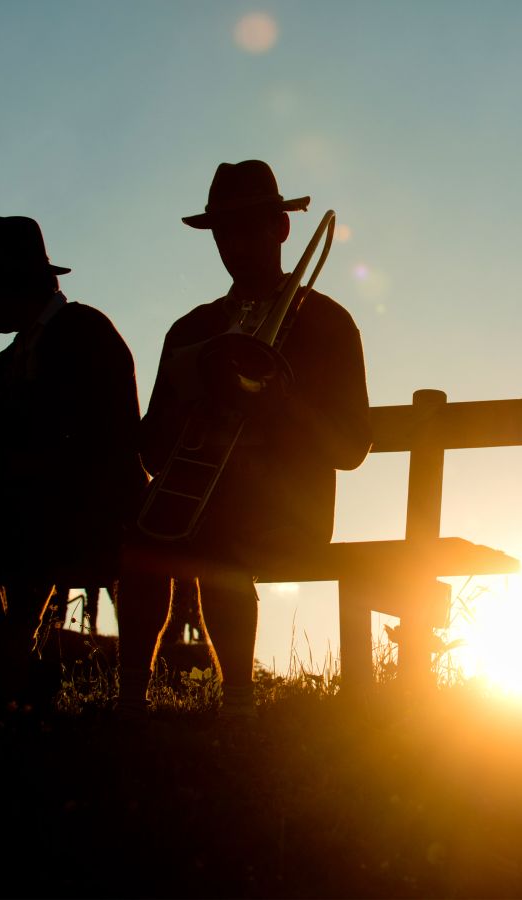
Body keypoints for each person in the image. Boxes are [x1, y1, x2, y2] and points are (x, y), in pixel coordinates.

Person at [117, 160, 371, 717]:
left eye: (250, 226)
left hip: (289, 508)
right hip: (199, 500)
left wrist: (284, 402)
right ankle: (130, 699)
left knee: (218, 531)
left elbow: (351, 448)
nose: (234, 243)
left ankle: (237, 704)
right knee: (138, 534)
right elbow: (153, 450)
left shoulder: (325, 323)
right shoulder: (191, 331)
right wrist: (193, 407)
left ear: (281, 230)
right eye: (224, 231)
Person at [0, 216, 145, 709]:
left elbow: (88, 440)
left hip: (96, 511)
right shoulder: (3, 363)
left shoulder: (86, 332)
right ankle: (16, 669)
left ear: (16, 282)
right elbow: (1, 455)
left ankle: (9, 672)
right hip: (38, 510)